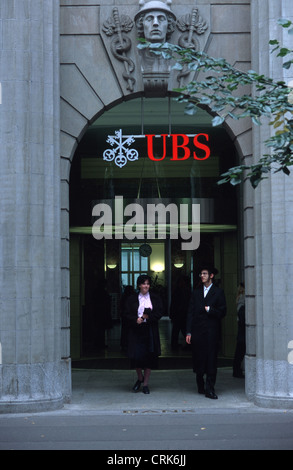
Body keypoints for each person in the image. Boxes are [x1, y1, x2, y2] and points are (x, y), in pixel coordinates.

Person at [186, 265, 226, 399]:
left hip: (211, 333)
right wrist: (188, 332)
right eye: (200, 274)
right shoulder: (196, 292)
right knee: (198, 359)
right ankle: (200, 384)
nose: (202, 276)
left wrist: (210, 309)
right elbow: (190, 313)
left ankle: (210, 388)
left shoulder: (218, 292)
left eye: (204, 273)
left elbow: (223, 311)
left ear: (211, 276)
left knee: (211, 361)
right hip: (197, 332)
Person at [124, 274, 163, 394]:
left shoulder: (155, 298)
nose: (146, 286)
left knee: (149, 357)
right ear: (139, 285)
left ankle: (145, 384)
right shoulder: (131, 299)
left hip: (150, 329)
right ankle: (139, 378)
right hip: (136, 330)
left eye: (147, 284)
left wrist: (148, 317)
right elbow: (125, 314)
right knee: (136, 356)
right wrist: (136, 320)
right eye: (143, 283)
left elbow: (160, 312)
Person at [169, 275, 191, 350]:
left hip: (179, 313)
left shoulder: (178, 291)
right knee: (182, 329)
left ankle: (175, 344)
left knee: (177, 330)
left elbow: (174, 304)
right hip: (181, 313)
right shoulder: (185, 291)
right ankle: (187, 345)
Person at [232, 282, 246, 378]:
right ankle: (237, 370)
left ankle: (237, 369)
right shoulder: (242, 297)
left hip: (242, 326)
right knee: (240, 349)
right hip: (243, 326)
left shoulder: (240, 297)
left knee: (240, 349)